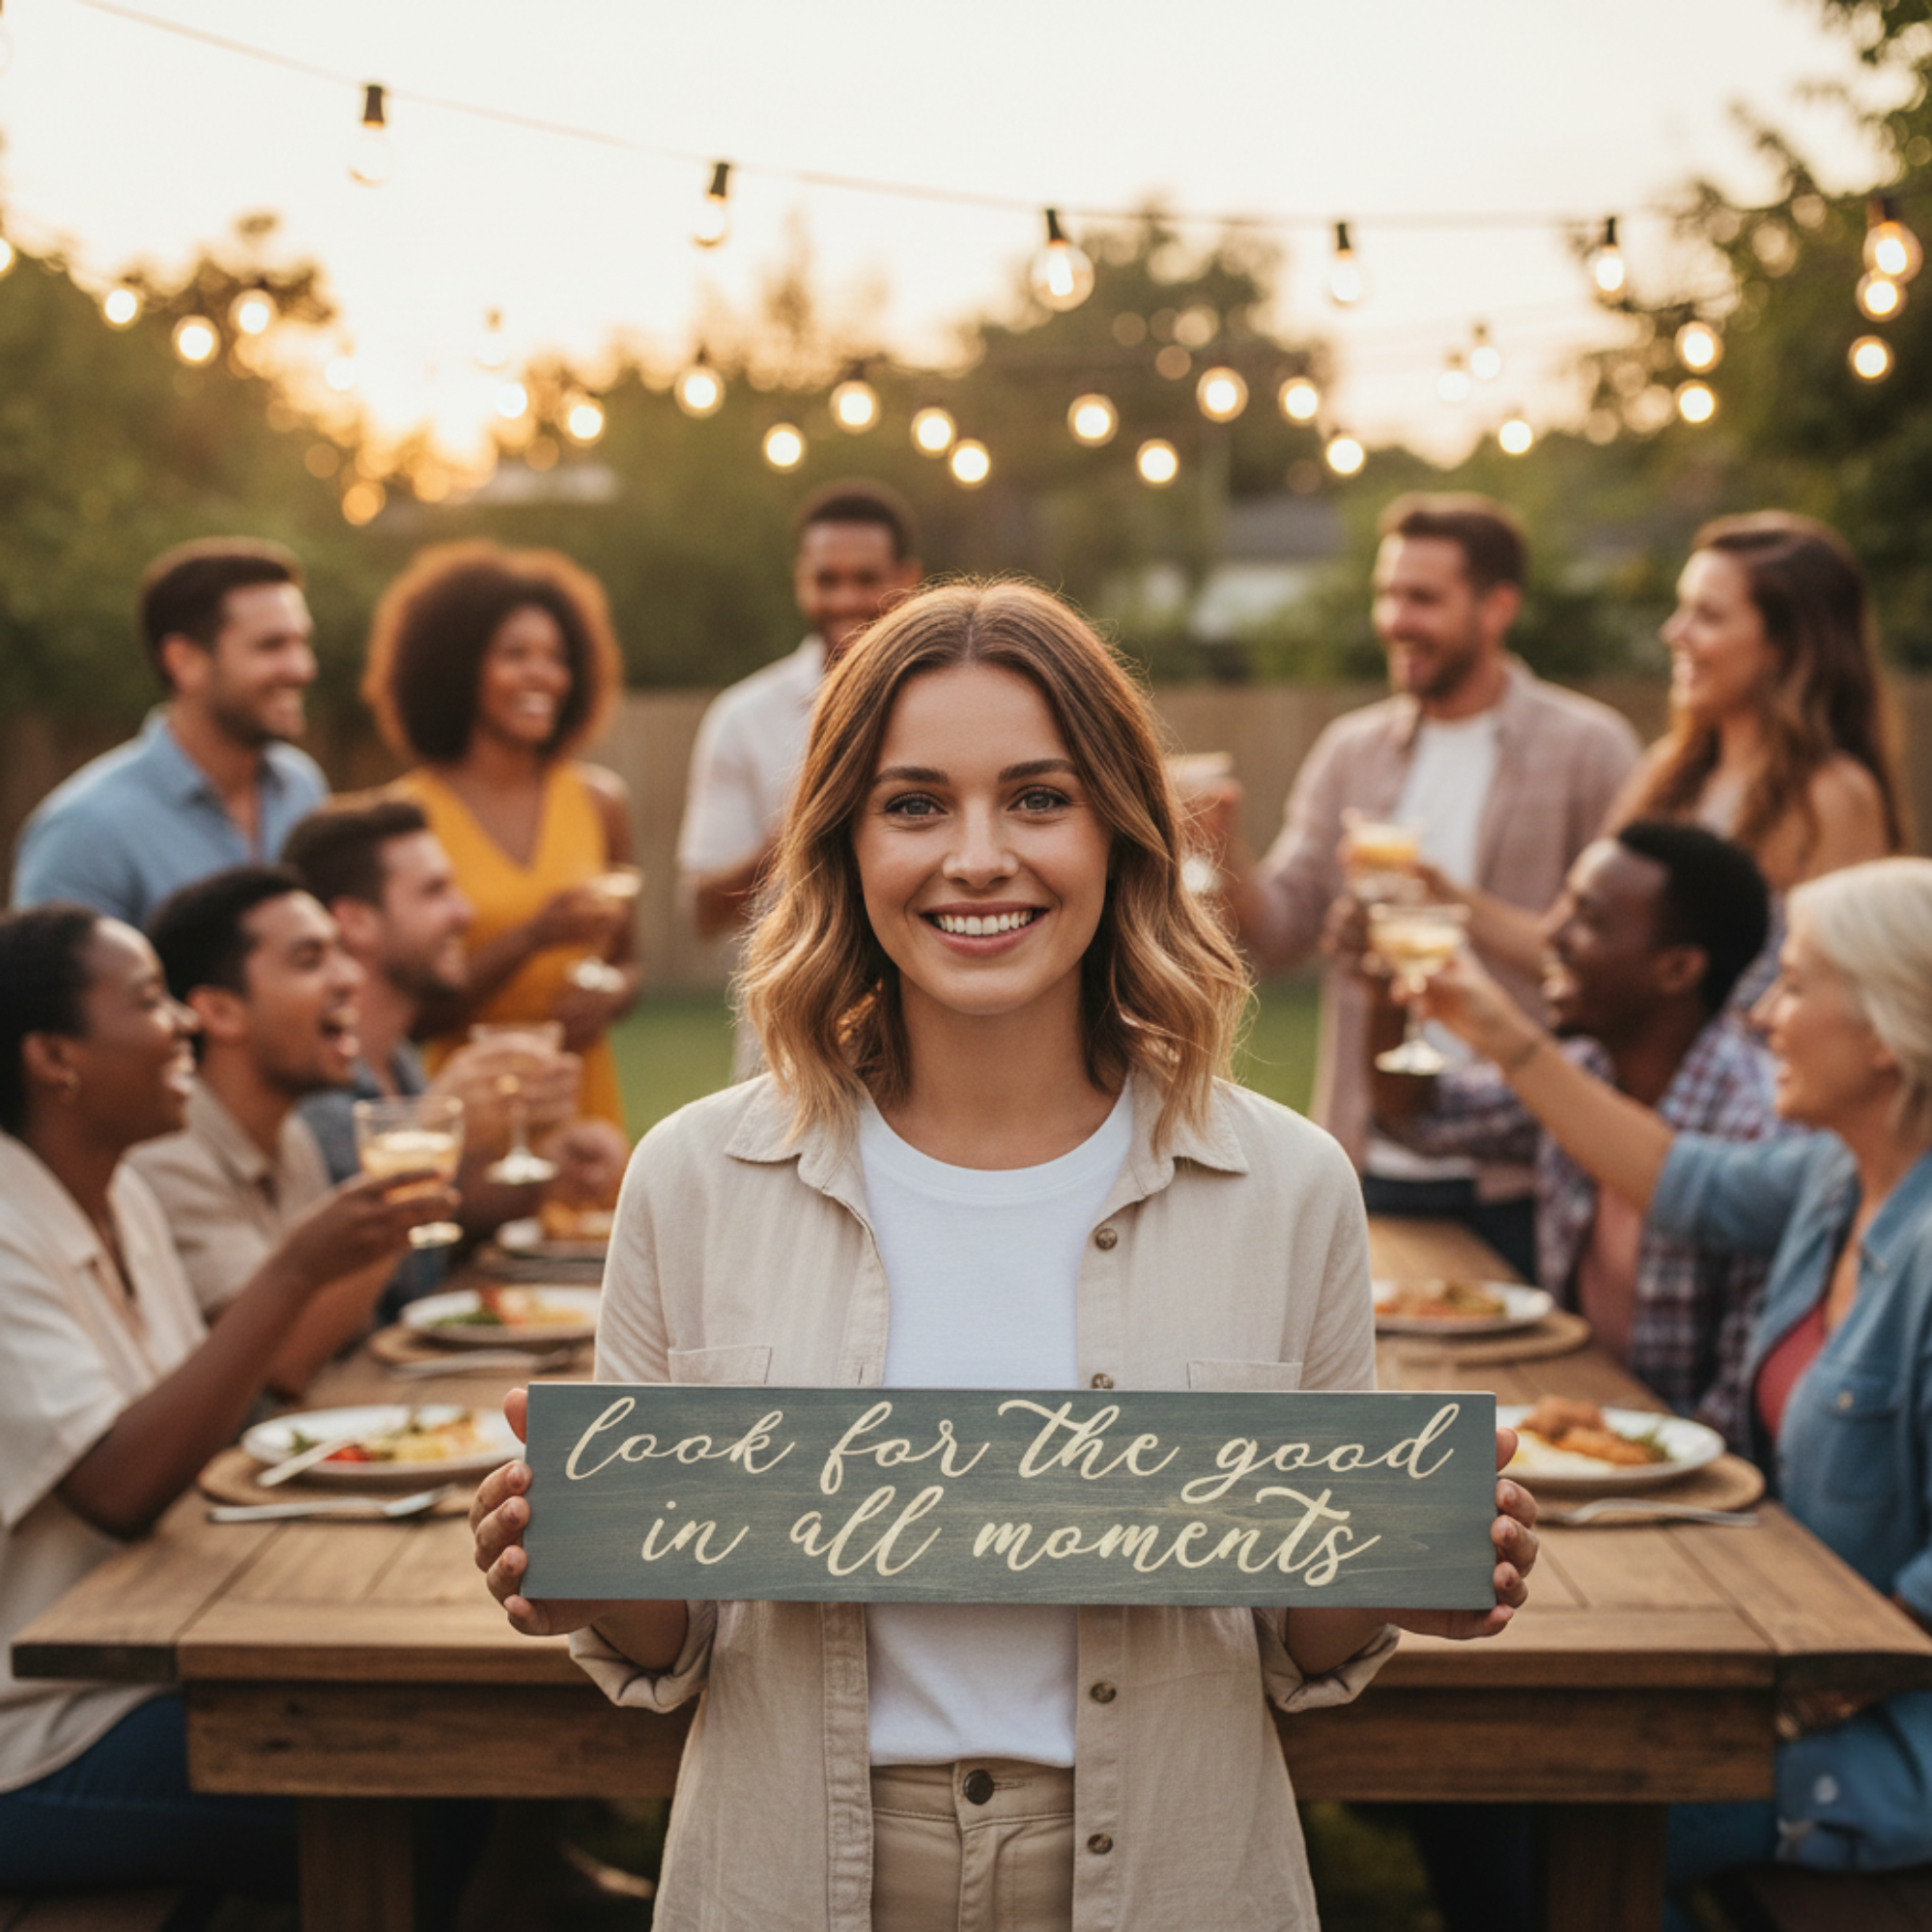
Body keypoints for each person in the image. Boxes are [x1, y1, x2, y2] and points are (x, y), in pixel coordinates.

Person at [471, 580, 1538, 1932]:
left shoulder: (1288, 1184)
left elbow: (1290, 1640)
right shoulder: (691, 1178)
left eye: (1039, 797)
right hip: (793, 1873)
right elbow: (670, 1637)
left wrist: (1400, 1572)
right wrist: (577, 1573)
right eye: (916, 804)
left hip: (1173, 1868)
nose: (980, 857)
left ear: (1123, 833)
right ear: (845, 843)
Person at [1408, 858, 1932, 1909]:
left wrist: (1810, 1679)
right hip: (1769, 1648)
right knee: (1475, 1786)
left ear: (1882, 1033)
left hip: (1871, 1715)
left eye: (1792, 986)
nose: (1762, 1017)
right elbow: (1674, 1177)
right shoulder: (1839, 1175)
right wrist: (1500, 1034)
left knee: (1522, 1813)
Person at [0, 903, 448, 1894]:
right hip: (36, 1732)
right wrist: (288, 1275)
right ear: (53, 1057)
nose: (182, 1025)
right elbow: (119, 1483)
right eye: (148, 1001)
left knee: (426, 1722)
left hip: (145, 1657)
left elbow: (194, 1428)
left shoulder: (119, 1196)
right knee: (410, 1777)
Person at [1194, 494, 1642, 1278]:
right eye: (1388, 594)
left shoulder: (1590, 748)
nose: (1396, 619)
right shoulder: (1352, 750)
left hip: (1524, 1160)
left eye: (1423, 598)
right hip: (1374, 1151)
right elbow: (1283, 929)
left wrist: (1450, 904)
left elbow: (1613, 969)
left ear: (1497, 606)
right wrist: (1224, 849)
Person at [1377, 821, 1781, 1442]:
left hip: (1680, 1469)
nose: (1551, 933)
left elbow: (1737, 1410)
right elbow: (1422, 1120)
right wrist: (1383, 988)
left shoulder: (1752, 1121)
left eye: (1587, 917)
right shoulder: (1590, 1069)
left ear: (1676, 969)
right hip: (1579, 1417)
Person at [1447, 513, 1906, 1009]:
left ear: (1783, 646)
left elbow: (1842, 1000)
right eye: (1681, 609)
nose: (1674, 632)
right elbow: (1564, 946)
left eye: (1707, 616)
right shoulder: (1666, 772)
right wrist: (1434, 893)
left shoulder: (1832, 793)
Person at [281, 795, 606, 1312]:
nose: (466, 912)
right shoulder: (313, 1096)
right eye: (435, 891)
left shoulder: (401, 1063)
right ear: (356, 922)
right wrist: (434, 1130)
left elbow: (440, 1230)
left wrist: (547, 1172)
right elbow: (347, 1294)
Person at [360, 541, 637, 1127]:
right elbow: (409, 1017)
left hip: (582, 1101)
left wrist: (610, 997)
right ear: (458, 666)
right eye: (515, 654)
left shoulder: (599, 801)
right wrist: (534, 937)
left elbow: (629, 965)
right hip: (471, 1110)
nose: (543, 674)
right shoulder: (408, 819)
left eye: (556, 657)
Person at [126, 866, 400, 1398]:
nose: (351, 977)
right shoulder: (166, 1156)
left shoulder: (290, 1132)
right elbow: (282, 1366)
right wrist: (409, 1193)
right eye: (309, 959)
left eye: (340, 952)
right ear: (220, 1011)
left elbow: (346, 1330)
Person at [11, 539, 327, 926]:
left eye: (302, 643)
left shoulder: (301, 786)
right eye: (271, 646)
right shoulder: (84, 832)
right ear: (184, 660)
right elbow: (52, 987)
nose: (301, 668)